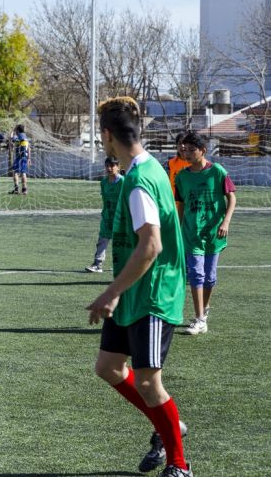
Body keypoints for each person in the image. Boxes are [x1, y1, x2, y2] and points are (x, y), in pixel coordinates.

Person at [86, 97, 191, 476]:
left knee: (148, 381)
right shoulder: (149, 168)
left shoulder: (138, 182)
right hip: (136, 288)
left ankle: (179, 464)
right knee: (109, 367)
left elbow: (151, 246)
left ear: (107, 136)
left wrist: (109, 292)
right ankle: (168, 425)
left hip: (151, 292)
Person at [175, 132, 236, 336]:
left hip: (214, 232)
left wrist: (225, 221)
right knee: (196, 274)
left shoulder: (217, 172)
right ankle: (200, 318)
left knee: (210, 278)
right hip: (191, 233)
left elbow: (232, 199)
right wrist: (179, 227)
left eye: (193, 150)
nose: (188, 153)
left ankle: (204, 309)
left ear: (203, 151)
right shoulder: (182, 177)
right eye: (186, 149)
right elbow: (181, 205)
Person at [85, 156, 124, 273]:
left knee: (120, 241)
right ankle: (98, 264)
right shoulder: (103, 183)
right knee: (103, 239)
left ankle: (121, 264)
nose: (109, 168)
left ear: (118, 167)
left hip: (120, 216)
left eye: (112, 166)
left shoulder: (123, 181)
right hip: (107, 216)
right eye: (107, 166)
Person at [166, 133, 190, 205]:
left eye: (184, 143)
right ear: (176, 146)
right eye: (179, 143)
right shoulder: (170, 164)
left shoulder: (194, 163)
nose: (182, 146)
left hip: (190, 204)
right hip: (173, 204)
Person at [10, 124, 31, 195]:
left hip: (19, 157)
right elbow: (29, 148)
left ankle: (16, 189)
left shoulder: (19, 137)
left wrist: (12, 132)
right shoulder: (26, 137)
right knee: (23, 172)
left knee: (16, 172)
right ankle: (24, 189)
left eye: (16, 130)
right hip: (25, 157)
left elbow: (12, 139)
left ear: (17, 130)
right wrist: (29, 158)